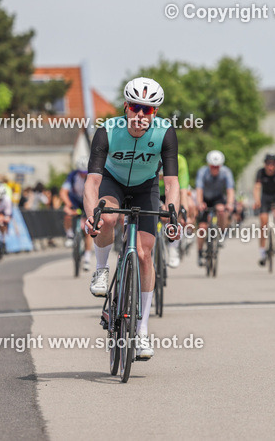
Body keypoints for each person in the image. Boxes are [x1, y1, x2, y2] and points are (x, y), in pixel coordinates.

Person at [84, 76, 181, 361]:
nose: (140, 115)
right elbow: (91, 183)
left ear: (155, 113)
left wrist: (172, 214)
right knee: (108, 219)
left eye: (147, 110)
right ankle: (101, 269)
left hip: (145, 187)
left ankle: (142, 331)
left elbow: (172, 183)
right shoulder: (107, 131)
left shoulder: (165, 133)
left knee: (143, 253)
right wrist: (93, 217)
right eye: (135, 108)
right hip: (112, 183)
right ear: (125, 107)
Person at [194, 149, 235, 266]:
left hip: (218, 199)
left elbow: (230, 190)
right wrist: (199, 202)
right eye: (213, 166)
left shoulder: (226, 172)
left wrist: (230, 203)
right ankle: (200, 253)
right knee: (202, 228)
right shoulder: (202, 172)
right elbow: (199, 189)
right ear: (209, 165)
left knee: (222, 212)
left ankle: (221, 234)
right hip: (205, 199)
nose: (215, 169)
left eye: (217, 167)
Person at [253, 153, 275, 266]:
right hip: (265, 197)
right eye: (268, 164)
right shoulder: (260, 172)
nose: (270, 167)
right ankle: (262, 251)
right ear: (265, 164)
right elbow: (257, 187)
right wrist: (257, 200)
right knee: (263, 222)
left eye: (272, 164)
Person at [61, 157, 93, 270]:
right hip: (75, 200)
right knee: (67, 214)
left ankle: (87, 259)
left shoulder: (92, 174)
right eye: (81, 173)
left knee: (88, 230)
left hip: (87, 200)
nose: (83, 175)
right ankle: (69, 235)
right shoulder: (73, 176)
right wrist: (69, 204)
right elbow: (63, 192)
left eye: (85, 173)